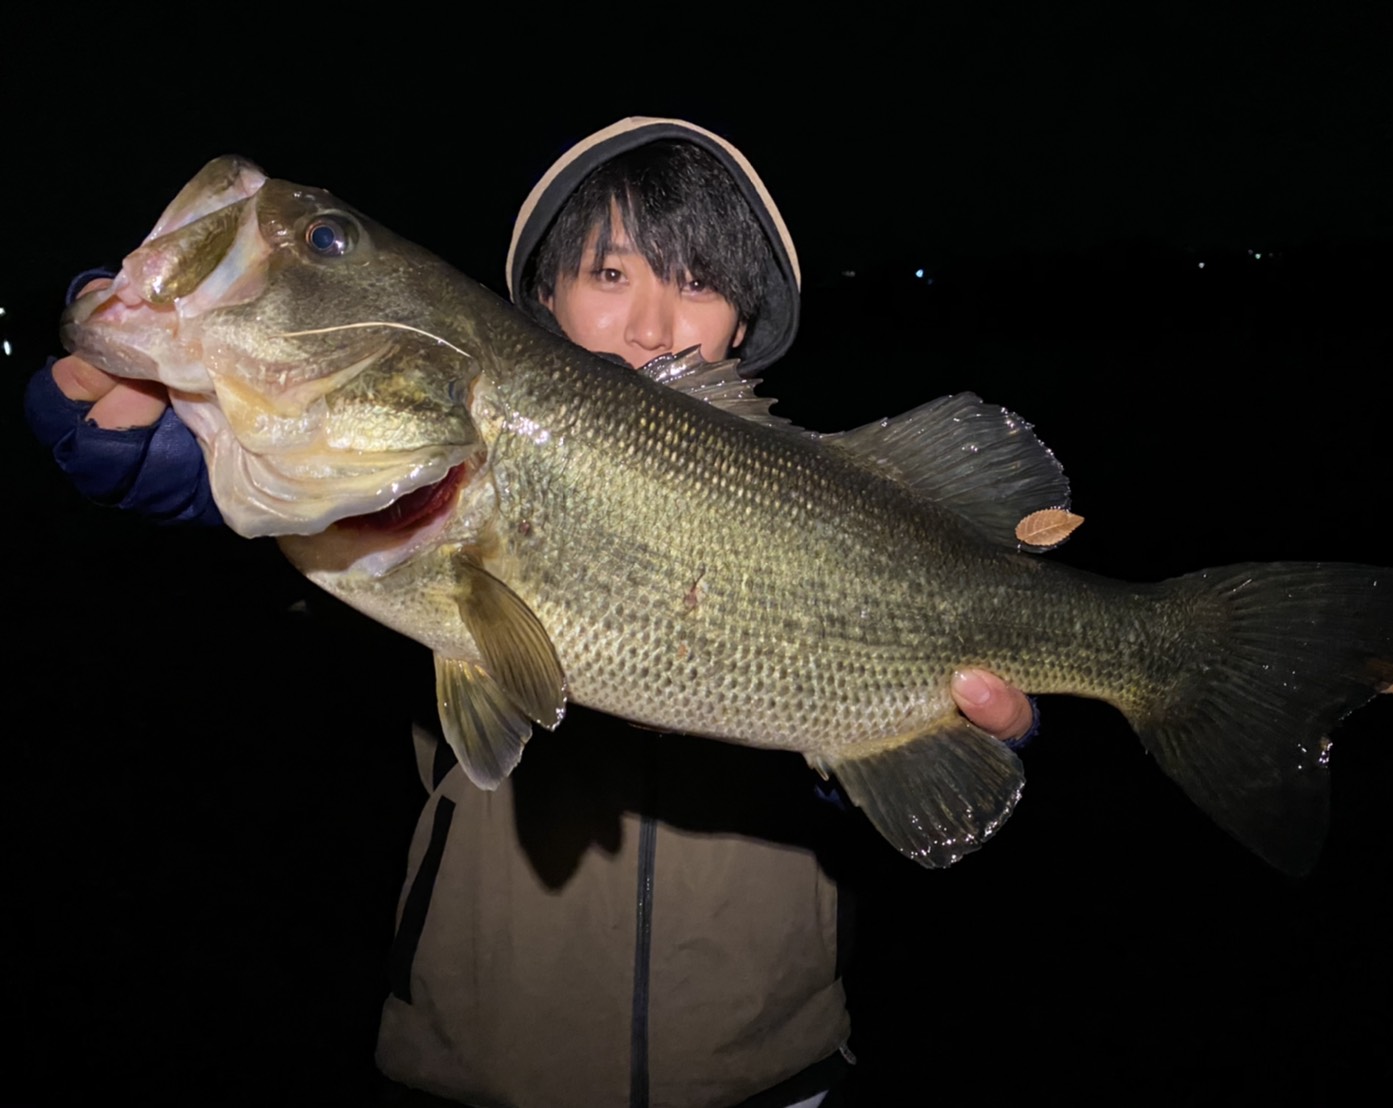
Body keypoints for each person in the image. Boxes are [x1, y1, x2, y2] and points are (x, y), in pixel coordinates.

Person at [27, 118, 1037, 1107]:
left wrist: (905, 735)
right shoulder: (385, 491)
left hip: (762, 1069)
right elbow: (167, 460)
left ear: (743, 318)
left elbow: (858, 789)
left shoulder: (827, 501)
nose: (653, 322)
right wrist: (114, 386)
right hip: (489, 1066)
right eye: (609, 274)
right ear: (543, 295)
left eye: (697, 279)